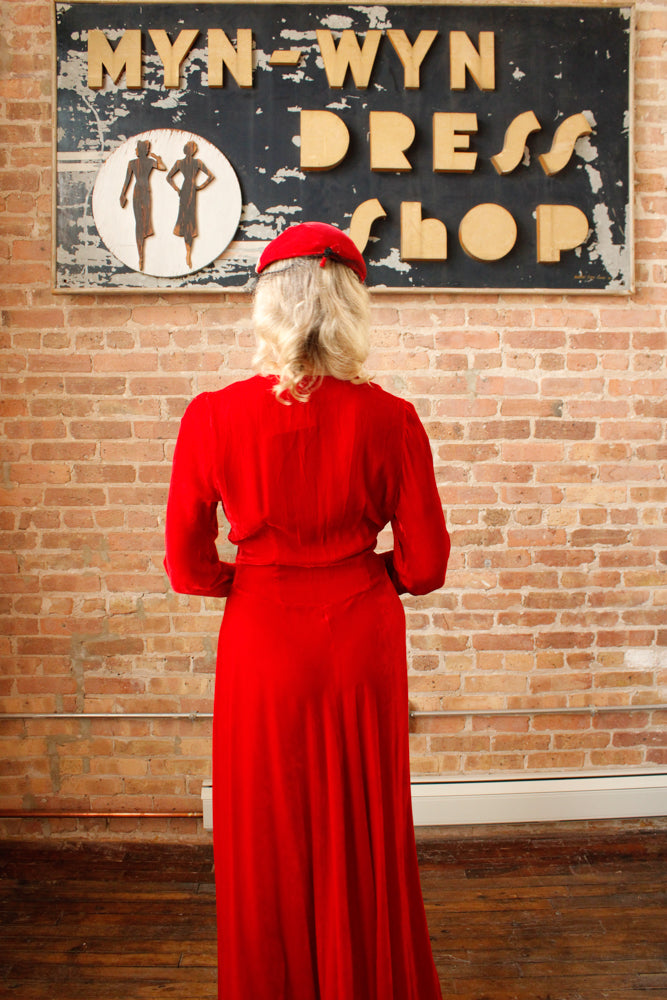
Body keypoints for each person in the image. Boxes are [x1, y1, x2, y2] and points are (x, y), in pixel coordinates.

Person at [164, 221, 450, 1000]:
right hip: (359, 633)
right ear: (349, 305)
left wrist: (258, 577)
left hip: (261, 640)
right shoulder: (390, 419)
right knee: (363, 826)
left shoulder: (211, 416)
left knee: (266, 830)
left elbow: (187, 569)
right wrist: (356, 572)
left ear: (268, 304)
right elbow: (424, 568)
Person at [119, 139, 166, 271]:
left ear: (140, 150)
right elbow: (162, 167)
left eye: (136, 148)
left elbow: (127, 180)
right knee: (140, 222)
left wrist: (123, 194)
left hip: (139, 192)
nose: (135, 150)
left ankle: (141, 254)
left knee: (141, 222)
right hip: (144, 191)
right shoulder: (145, 162)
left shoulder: (135, 163)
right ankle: (140, 255)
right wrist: (158, 158)